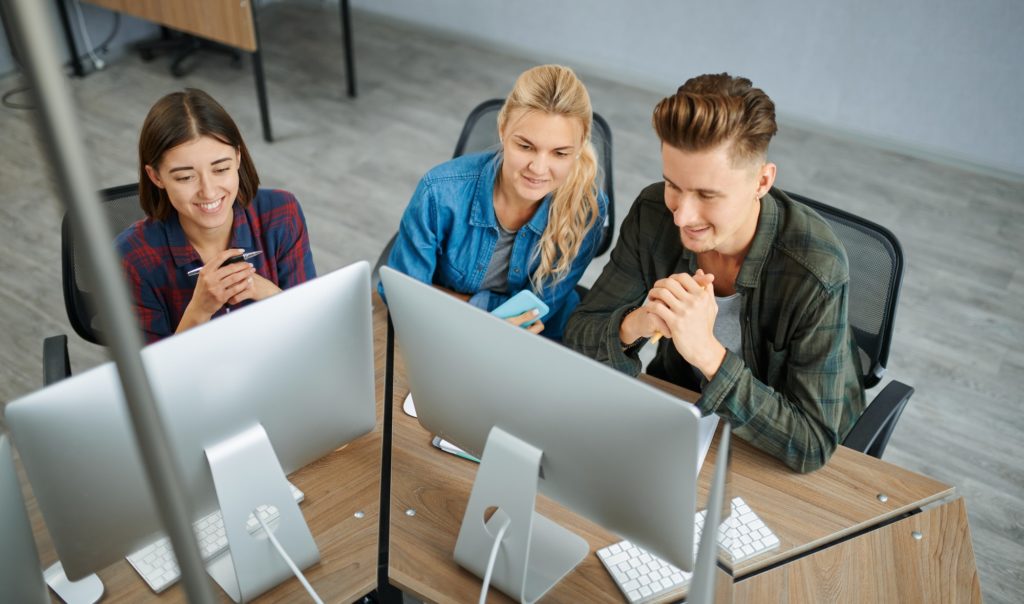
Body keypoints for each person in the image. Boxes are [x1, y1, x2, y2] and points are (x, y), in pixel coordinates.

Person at [564, 74, 865, 473]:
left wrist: (706, 352)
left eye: (707, 195)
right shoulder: (654, 214)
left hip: (770, 454)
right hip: (685, 424)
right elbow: (580, 335)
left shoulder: (816, 268)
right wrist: (635, 324)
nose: (682, 216)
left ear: (762, 181)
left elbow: (810, 443)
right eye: (674, 184)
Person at [381, 64, 609, 341]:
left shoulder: (587, 209)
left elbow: (539, 311)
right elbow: (401, 294)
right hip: (443, 331)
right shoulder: (439, 192)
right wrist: (485, 315)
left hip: (537, 339)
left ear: (581, 144)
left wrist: (458, 302)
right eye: (525, 146)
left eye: (560, 153)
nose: (538, 168)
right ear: (502, 130)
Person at [116, 89, 316, 343]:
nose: (209, 192)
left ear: (238, 158)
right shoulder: (131, 258)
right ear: (156, 177)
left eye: (221, 169)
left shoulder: (281, 213)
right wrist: (199, 311)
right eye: (186, 177)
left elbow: (313, 325)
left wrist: (263, 290)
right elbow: (148, 378)